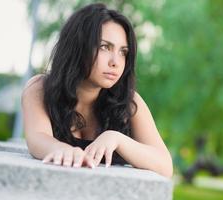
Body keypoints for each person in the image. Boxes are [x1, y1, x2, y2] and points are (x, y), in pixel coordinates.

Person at [21, 3, 173, 178]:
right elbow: (37, 137)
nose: (115, 62)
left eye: (123, 52)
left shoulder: (130, 102)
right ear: (78, 47)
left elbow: (165, 165)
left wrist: (116, 139)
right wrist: (62, 150)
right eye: (104, 47)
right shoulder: (40, 88)